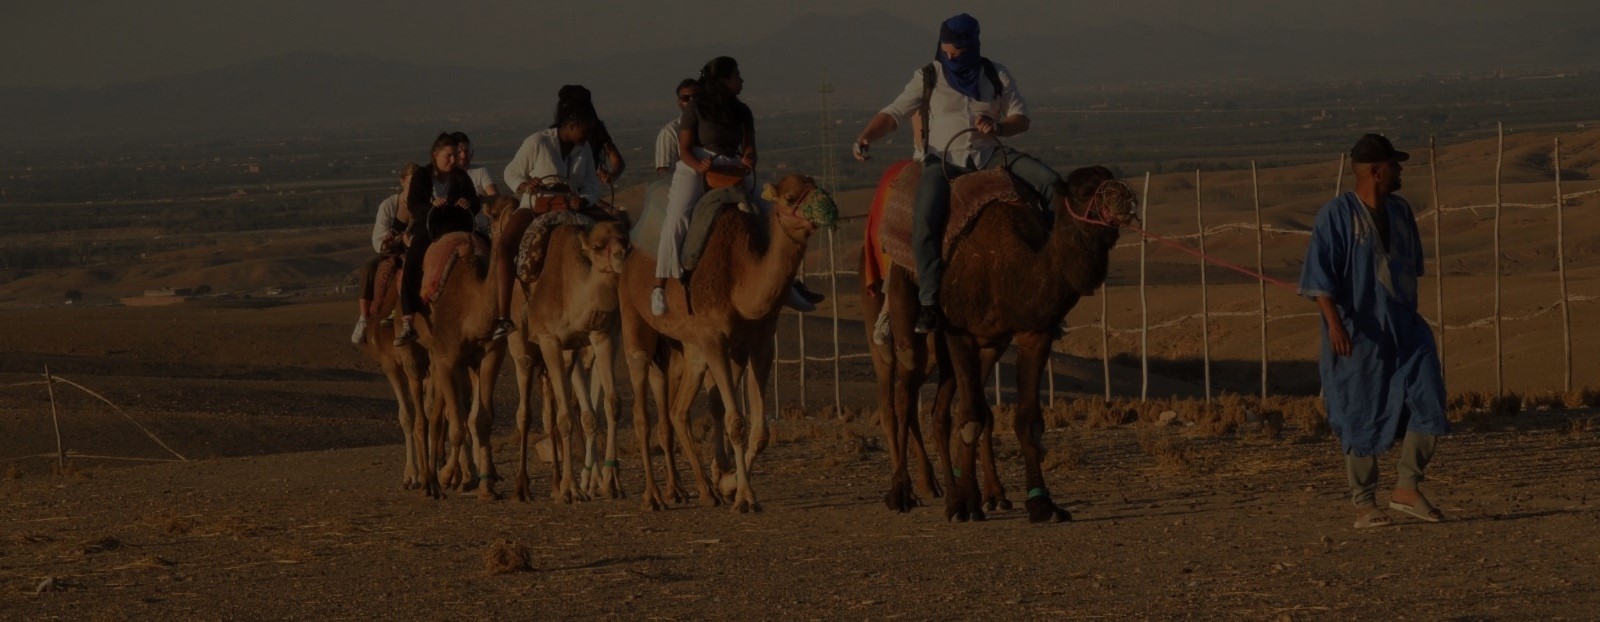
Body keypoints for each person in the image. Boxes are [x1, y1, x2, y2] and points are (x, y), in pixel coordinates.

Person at [852, 13, 1061, 334]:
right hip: (943, 160)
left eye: (956, 53)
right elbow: (894, 113)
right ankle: (928, 301)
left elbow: (1022, 117)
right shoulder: (928, 76)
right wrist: (866, 136)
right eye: (945, 51)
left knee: (1050, 184)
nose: (949, 57)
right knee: (924, 214)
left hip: (990, 155)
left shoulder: (995, 73)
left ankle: (1051, 281)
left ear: (973, 47)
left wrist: (999, 126)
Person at [1298, 133, 1450, 529]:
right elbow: (1319, 279)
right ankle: (1365, 502)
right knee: (1358, 409)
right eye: (1395, 165)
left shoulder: (1401, 213)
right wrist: (1334, 325)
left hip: (1404, 326)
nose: (1401, 171)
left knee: (1429, 395)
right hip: (1357, 333)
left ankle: (1407, 487)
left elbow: (1408, 269)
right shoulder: (1335, 216)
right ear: (1377, 171)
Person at [652, 56, 819, 317]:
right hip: (697, 165)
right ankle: (660, 286)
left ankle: (787, 286)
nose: (741, 80)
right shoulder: (695, 108)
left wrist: (748, 158)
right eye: (736, 76)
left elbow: (750, 145)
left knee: (772, 213)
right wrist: (699, 166)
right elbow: (683, 150)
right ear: (723, 80)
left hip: (732, 166)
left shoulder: (742, 111)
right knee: (677, 216)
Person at [491, 87, 605, 340]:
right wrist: (524, 185)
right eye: (586, 128)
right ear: (572, 124)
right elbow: (511, 172)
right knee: (505, 247)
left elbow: (592, 185)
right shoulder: (538, 142)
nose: (589, 135)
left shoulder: (583, 149)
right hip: (535, 206)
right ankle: (502, 317)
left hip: (573, 208)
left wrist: (583, 200)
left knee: (615, 235)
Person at [393, 133, 481, 346]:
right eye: (448, 156)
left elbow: (475, 203)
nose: (453, 160)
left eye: (455, 155)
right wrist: (431, 207)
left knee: (486, 250)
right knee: (412, 263)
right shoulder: (422, 176)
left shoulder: (461, 177)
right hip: (430, 228)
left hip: (458, 225)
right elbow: (414, 204)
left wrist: (467, 203)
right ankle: (408, 322)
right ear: (435, 155)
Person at [351, 163, 418, 344]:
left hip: (415, 252)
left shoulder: (424, 205)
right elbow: (377, 239)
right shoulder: (389, 205)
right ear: (402, 182)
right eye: (412, 182)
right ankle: (364, 319)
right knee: (367, 269)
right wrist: (389, 240)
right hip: (391, 252)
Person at [654, 78, 700, 174]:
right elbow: (664, 172)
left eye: (696, 97)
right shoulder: (670, 132)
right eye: (686, 98)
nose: (692, 101)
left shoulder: (715, 127)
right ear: (679, 103)